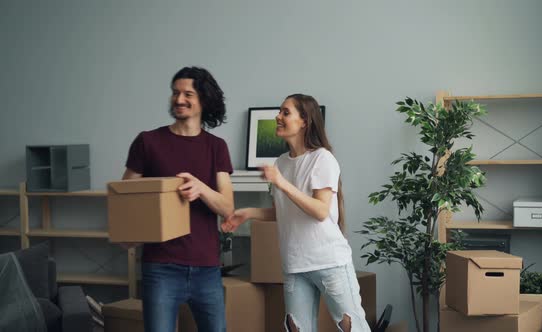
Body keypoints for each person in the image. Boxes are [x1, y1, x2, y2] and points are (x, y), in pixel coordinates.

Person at [221, 94, 370, 332]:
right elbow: (286, 211)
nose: (278, 117)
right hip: (294, 265)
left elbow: (320, 211)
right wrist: (248, 213)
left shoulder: (322, 159)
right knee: (296, 329)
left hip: (329, 262)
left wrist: (281, 183)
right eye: (279, 111)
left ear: (304, 121)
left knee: (352, 328)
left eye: (285, 112)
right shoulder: (281, 162)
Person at [122, 66, 234, 332]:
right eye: (175, 93)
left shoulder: (216, 147)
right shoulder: (148, 142)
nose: (179, 99)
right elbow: (125, 196)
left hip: (207, 268)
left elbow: (227, 208)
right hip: (160, 267)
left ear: (203, 100)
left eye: (187, 94)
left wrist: (201, 188)